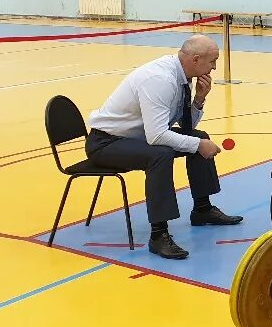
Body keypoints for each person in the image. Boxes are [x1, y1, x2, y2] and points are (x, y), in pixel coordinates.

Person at [86, 35, 244, 260]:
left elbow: (185, 126)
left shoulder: (183, 76)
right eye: (212, 61)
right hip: (106, 143)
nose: (215, 67)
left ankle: (202, 209)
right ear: (196, 59)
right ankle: (158, 235)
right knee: (161, 155)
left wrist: (199, 99)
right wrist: (198, 145)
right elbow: (157, 135)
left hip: (136, 138)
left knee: (199, 136)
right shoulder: (161, 80)